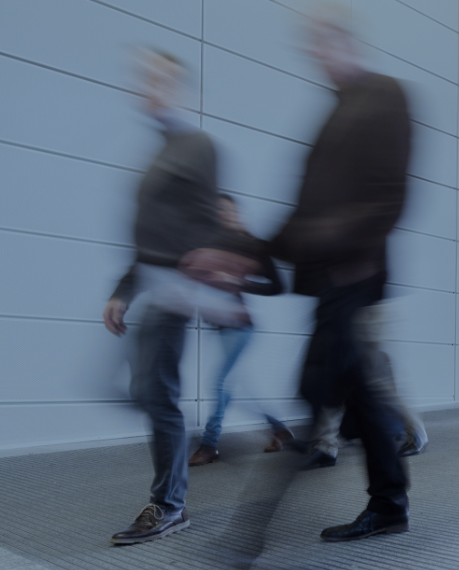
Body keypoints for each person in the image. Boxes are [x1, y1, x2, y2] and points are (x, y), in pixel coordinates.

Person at [268, 9, 413, 541]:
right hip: (328, 279)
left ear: (345, 41)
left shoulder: (384, 96)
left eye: (322, 41)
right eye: (310, 44)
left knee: (317, 387)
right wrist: (251, 251)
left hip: (357, 275)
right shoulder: (333, 115)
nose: (315, 53)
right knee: (357, 395)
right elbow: (302, 213)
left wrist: (323, 236)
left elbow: (390, 198)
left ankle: (248, 534)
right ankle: (389, 502)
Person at [103, 49, 241, 544]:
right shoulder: (159, 154)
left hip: (175, 292)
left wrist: (212, 286)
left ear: (182, 90)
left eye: (162, 79)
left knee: (156, 395)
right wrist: (124, 290)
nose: (150, 86)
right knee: (139, 392)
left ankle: (169, 505)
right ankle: (173, 487)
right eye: (146, 78)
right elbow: (150, 236)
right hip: (154, 287)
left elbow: (208, 224)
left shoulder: (196, 146)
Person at [183, 194, 294, 467]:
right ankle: (279, 428)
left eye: (229, 211)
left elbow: (278, 286)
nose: (225, 216)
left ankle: (209, 445)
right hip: (219, 326)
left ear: (238, 214)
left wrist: (238, 283)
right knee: (235, 387)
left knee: (220, 382)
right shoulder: (209, 245)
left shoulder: (252, 245)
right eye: (218, 211)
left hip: (241, 327)